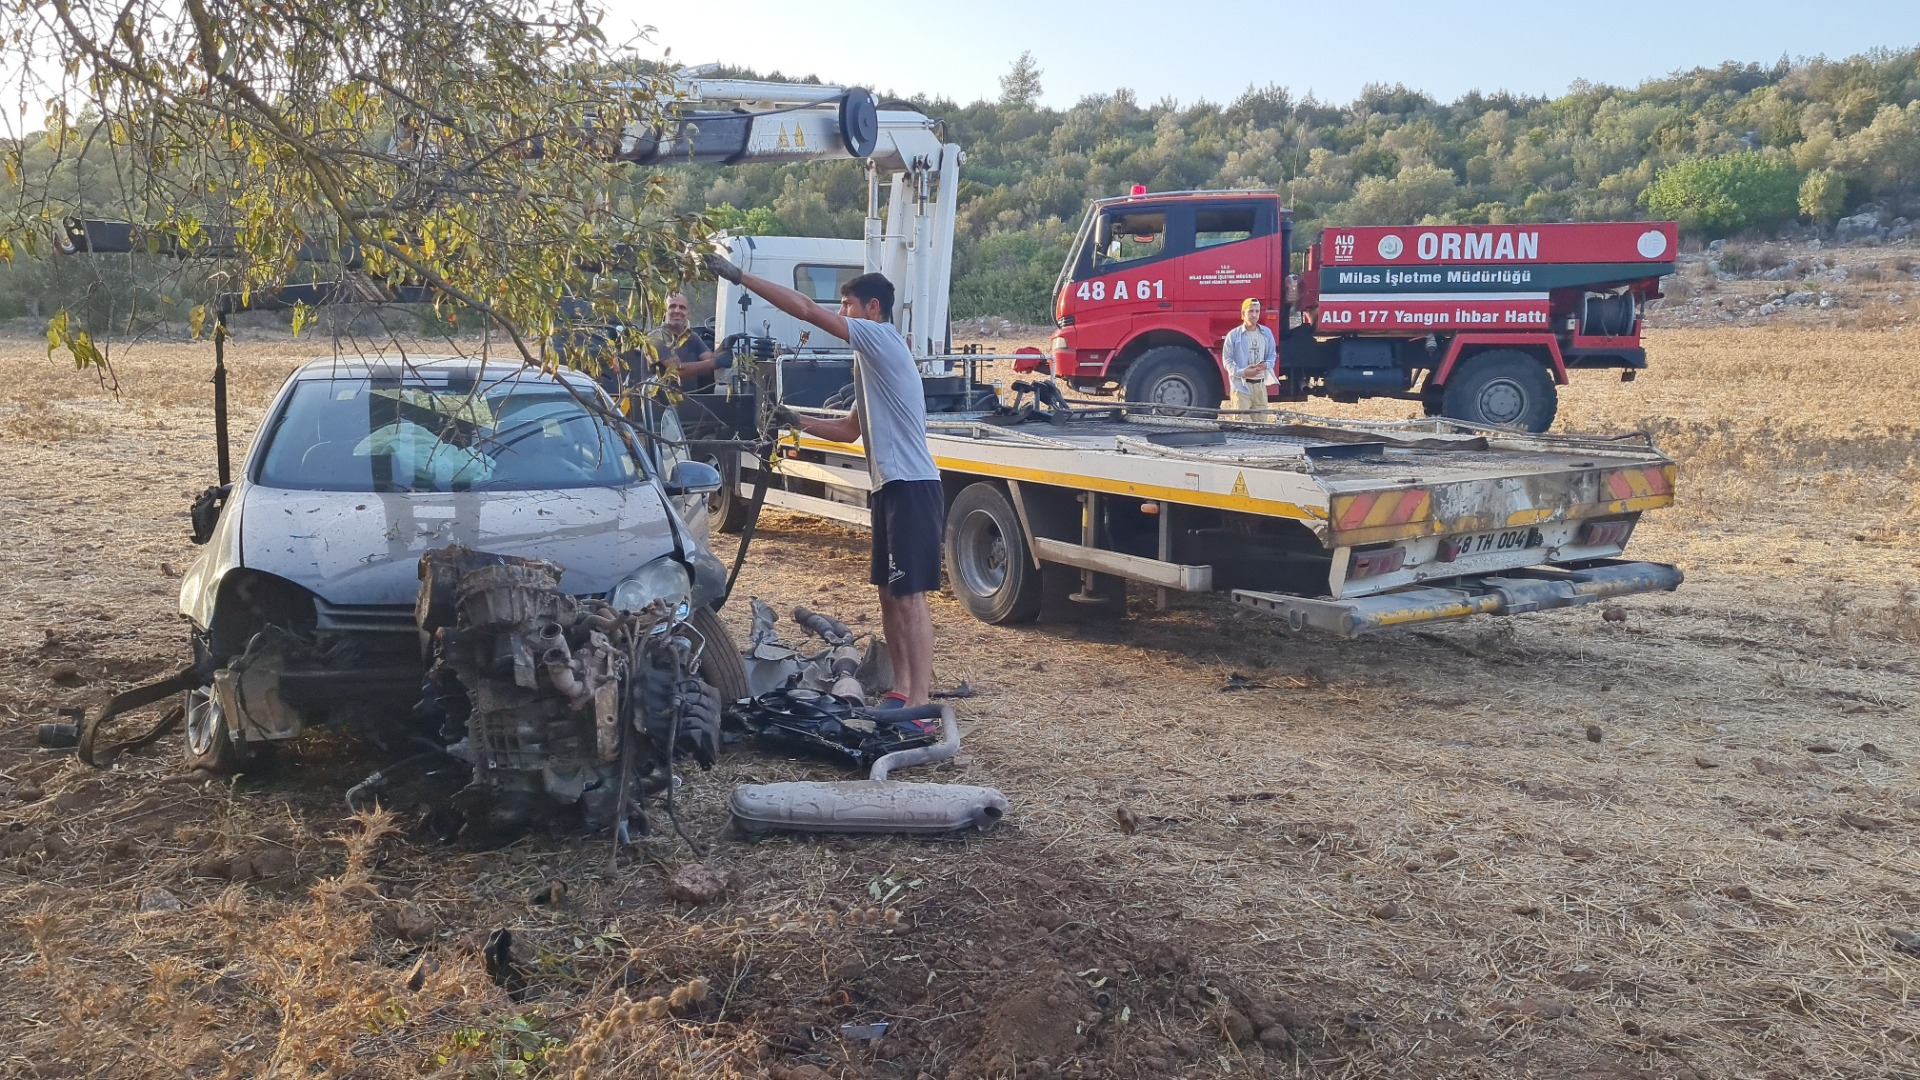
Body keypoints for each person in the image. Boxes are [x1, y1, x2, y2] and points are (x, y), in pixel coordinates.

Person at [705, 252, 942, 719]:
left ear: (872, 308)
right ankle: (902, 690)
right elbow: (850, 430)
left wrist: (740, 276)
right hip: (889, 486)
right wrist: (794, 418)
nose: (840, 313)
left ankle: (920, 704)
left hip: (912, 486)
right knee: (889, 593)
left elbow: (808, 311)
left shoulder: (880, 338)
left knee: (910, 595)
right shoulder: (869, 362)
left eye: (847, 304)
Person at [646, 292, 721, 392]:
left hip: (689, 401)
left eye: (682, 307)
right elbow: (676, 370)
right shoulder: (655, 337)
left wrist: (724, 345)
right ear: (664, 311)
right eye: (672, 306)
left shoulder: (692, 337)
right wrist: (715, 362)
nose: (677, 311)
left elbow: (709, 359)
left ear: (688, 313)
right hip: (660, 404)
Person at [1222, 297, 1278, 419]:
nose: (1254, 315)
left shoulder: (1266, 333)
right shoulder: (1233, 335)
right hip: (1241, 387)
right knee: (1242, 427)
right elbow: (1227, 360)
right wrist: (1243, 372)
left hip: (1260, 388)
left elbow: (1272, 355)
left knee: (1261, 426)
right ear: (1243, 314)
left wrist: (1266, 365)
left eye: (1257, 311)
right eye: (1250, 311)